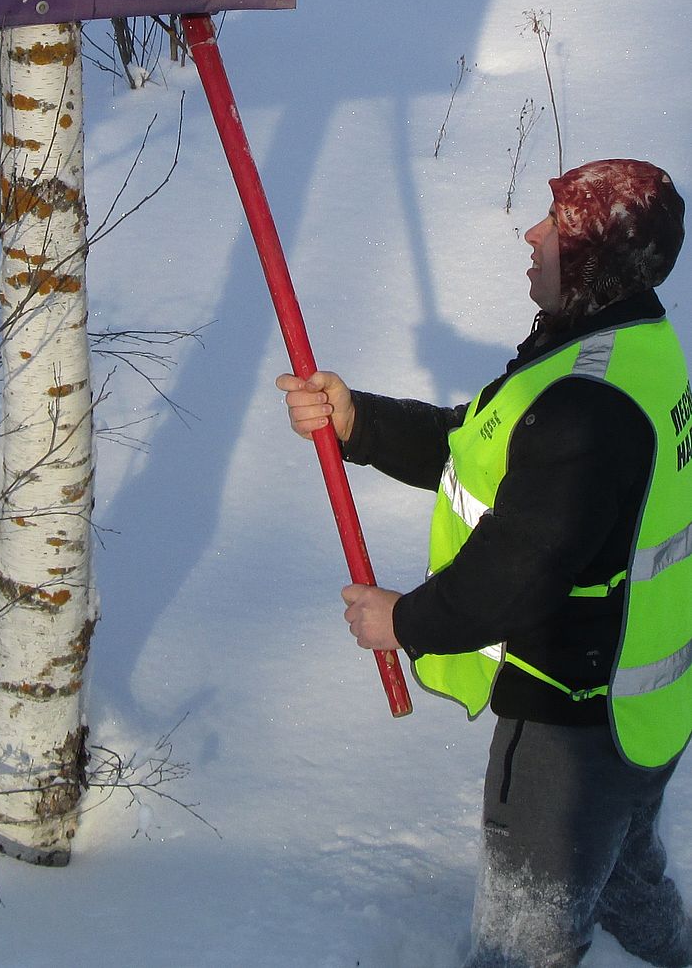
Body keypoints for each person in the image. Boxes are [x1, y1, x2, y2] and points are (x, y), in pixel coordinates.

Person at [277, 158, 692, 968]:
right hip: (645, 707)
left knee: (523, 938)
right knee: (626, 865)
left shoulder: (587, 405)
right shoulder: (626, 345)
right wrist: (357, 419)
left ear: (596, 260)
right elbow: (478, 444)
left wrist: (404, 620)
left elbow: (519, 567)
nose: (532, 235)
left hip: (569, 728)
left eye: (556, 226)